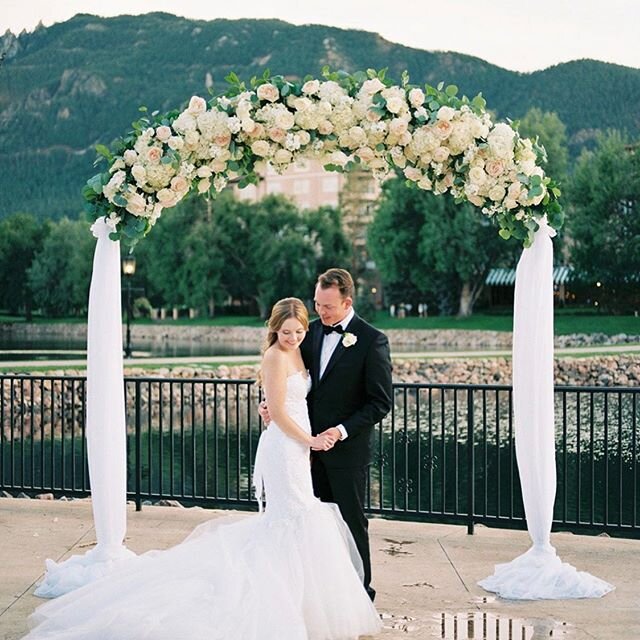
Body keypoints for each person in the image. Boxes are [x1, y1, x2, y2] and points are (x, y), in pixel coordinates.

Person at [22, 298, 382, 640]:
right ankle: (276, 604)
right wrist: (309, 440)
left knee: (297, 520)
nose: (294, 337)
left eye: (299, 331)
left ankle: (303, 603)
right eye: (287, 332)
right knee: (289, 519)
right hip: (286, 447)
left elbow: (295, 399)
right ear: (274, 330)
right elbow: (280, 412)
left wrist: (300, 434)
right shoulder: (275, 356)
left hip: (298, 447)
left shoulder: (300, 351)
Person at [261, 268, 393, 601]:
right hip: (303, 450)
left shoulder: (372, 340)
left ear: (347, 302)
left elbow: (380, 403)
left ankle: (361, 593)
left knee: (350, 521)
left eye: (328, 306)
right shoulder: (309, 333)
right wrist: (268, 407)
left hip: (347, 452)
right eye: (318, 304)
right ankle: (320, 592)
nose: (321, 312)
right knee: (311, 525)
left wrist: (341, 430)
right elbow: (287, 380)